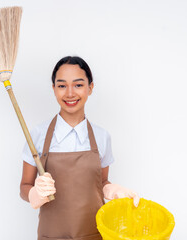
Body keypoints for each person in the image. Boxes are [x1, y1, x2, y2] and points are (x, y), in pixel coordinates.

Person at [20, 56, 140, 240]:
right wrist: (34, 194)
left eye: (78, 85)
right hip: (50, 236)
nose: (69, 93)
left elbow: (101, 183)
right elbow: (24, 186)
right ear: (54, 89)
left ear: (90, 88)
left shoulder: (102, 137)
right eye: (61, 85)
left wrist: (112, 190)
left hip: (93, 235)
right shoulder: (37, 135)